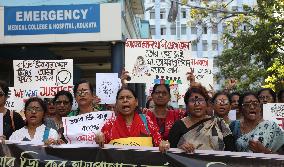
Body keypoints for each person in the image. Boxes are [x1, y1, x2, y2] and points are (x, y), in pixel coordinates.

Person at [168, 85, 235, 152]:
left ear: (207, 103)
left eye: (200, 100)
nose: (197, 104)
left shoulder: (219, 123)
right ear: (187, 104)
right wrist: (180, 148)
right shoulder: (178, 126)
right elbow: (170, 152)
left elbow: (232, 152)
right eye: (192, 100)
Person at [96, 87, 164, 147]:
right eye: (121, 98)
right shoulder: (110, 124)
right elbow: (102, 147)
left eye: (129, 97)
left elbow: (158, 142)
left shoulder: (146, 120)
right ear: (116, 104)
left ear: (136, 102)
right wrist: (99, 137)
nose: (125, 100)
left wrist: (163, 144)